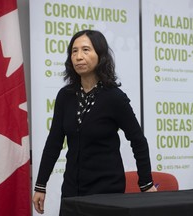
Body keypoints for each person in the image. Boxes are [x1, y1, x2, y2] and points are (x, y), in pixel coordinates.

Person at [33, 29, 157, 215]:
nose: (79, 57)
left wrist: (146, 183)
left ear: (100, 55)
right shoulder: (65, 96)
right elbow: (54, 142)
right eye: (74, 51)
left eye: (85, 50)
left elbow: (138, 140)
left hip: (107, 192)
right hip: (72, 191)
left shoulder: (114, 97)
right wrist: (41, 185)